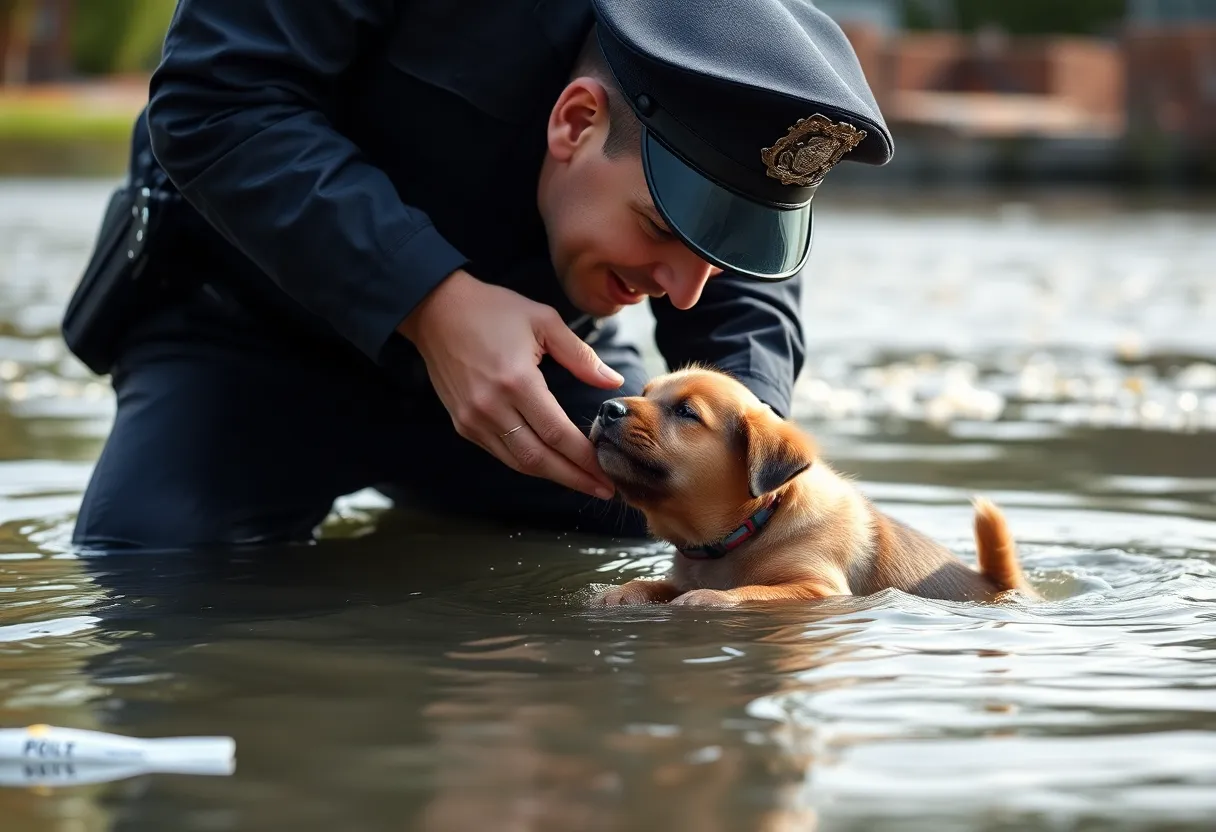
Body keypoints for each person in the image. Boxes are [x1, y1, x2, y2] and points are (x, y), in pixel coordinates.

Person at [63, 0, 892, 551]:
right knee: (151, 575)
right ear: (576, 121)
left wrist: (752, 445)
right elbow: (218, 101)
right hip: (245, 334)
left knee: (664, 537)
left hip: (533, 372)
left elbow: (737, 224)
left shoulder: (732, 27)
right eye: (656, 227)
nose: (685, 292)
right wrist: (429, 301)